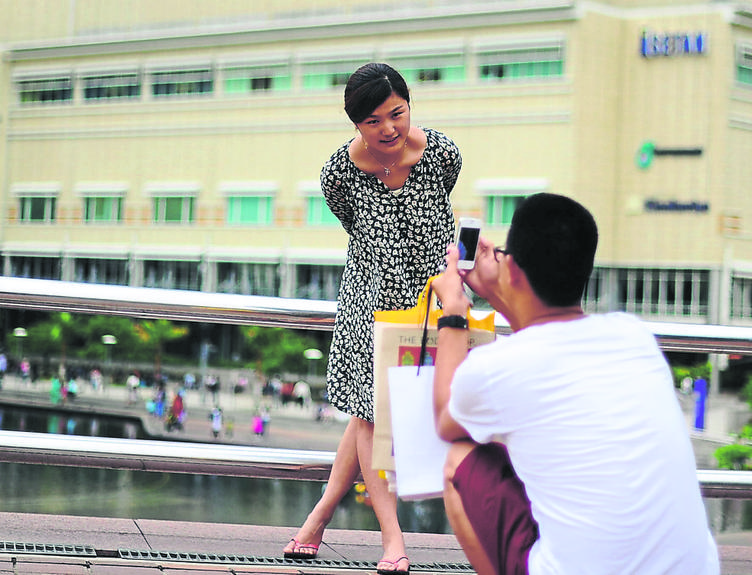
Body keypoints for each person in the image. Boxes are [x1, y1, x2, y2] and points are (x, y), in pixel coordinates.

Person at [430, 193, 720, 575]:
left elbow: (447, 420)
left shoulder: (500, 365)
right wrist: (505, 290)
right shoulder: (634, 336)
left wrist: (454, 312)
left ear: (512, 269)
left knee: (460, 459)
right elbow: (545, 333)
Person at [283, 62, 462, 575]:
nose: (389, 129)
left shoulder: (441, 154)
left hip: (429, 304)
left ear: (410, 105)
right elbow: (352, 227)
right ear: (355, 124)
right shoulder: (339, 173)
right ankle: (392, 538)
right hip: (371, 301)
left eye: (397, 114)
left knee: (370, 415)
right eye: (374, 121)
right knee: (371, 413)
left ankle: (318, 517)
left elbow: (443, 214)